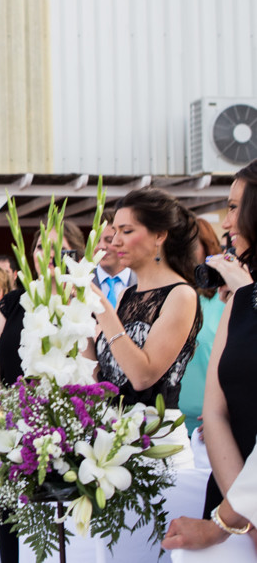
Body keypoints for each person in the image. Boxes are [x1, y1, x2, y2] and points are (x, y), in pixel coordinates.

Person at [0, 221, 86, 563]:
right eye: (41, 247)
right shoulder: (11, 303)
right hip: (11, 431)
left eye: (58, 250)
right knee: (13, 528)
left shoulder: (80, 303)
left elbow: (88, 368)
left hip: (60, 434)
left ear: (74, 254)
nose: (48, 257)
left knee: (58, 535)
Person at [87, 188, 201, 469]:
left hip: (157, 448)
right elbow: (106, 370)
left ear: (159, 236)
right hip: (114, 444)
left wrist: (102, 307)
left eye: (126, 231)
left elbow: (142, 376)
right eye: (114, 231)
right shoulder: (127, 294)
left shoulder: (181, 295)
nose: (114, 241)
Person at [197, 160, 257, 518]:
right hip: (231, 493)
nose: (226, 222)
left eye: (234, 207)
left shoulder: (244, 291)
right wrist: (240, 518)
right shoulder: (240, 291)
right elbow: (215, 412)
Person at [178, 218, 231, 436]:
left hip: (211, 426)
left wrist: (223, 414)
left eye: (188, 243)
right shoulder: (171, 296)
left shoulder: (224, 298)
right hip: (167, 424)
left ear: (206, 247)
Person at [93, 211, 137, 306]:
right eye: (97, 241)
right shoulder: (82, 282)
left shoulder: (142, 280)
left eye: (109, 240)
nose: (101, 246)